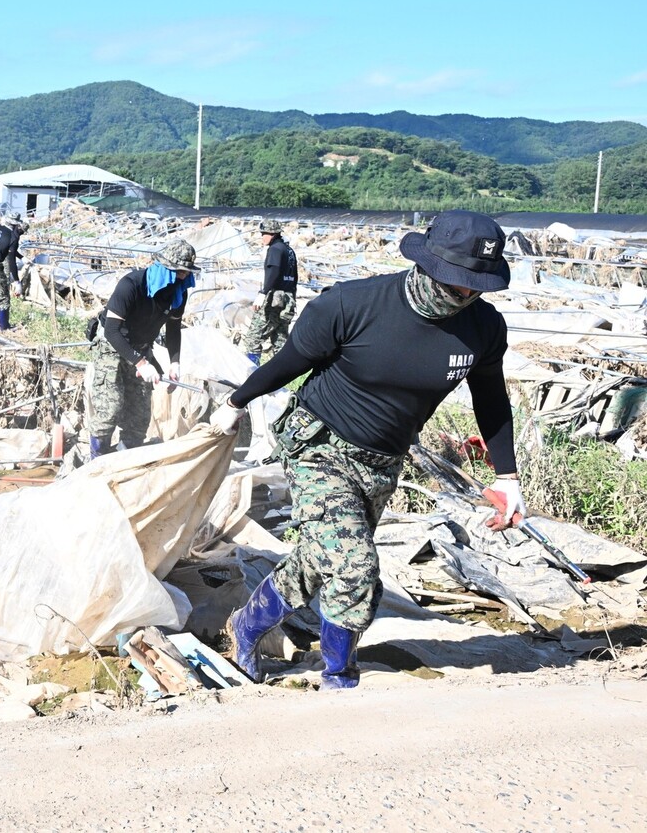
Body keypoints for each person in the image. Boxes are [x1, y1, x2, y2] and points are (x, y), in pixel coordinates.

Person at [218, 210, 525, 690]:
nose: (465, 295)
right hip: (319, 445)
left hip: (383, 460)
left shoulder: (484, 328)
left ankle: (246, 626)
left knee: (324, 557)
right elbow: (290, 361)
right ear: (426, 265)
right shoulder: (352, 304)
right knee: (355, 565)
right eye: (456, 283)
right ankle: (340, 677)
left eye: (475, 286)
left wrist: (508, 478)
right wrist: (236, 403)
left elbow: (492, 398)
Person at [86, 239, 199, 458]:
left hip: (142, 346)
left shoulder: (178, 293)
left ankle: (124, 459)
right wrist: (141, 363)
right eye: (179, 271)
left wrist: (174, 362)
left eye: (187, 272)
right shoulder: (132, 285)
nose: (183, 276)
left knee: (139, 416)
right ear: (164, 268)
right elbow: (111, 331)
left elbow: (174, 328)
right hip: (112, 345)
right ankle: (96, 461)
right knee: (110, 408)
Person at [241, 219, 298, 364]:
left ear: (272, 234)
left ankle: (252, 372)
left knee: (253, 338)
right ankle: (282, 374)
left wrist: (263, 293)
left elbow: (274, 271)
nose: (262, 237)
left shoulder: (275, 249)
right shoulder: (289, 250)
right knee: (280, 339)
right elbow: (295, 277)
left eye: (264, 234)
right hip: (288, 299)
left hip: (275, 298)